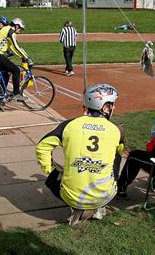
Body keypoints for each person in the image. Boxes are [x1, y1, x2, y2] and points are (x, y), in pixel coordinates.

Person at [35, 83, 125, 225]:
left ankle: (76, 206)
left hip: (71, 197)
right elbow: (118, 150)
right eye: (112, 105)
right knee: (117, 156)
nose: (114, 108)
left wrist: (50, 169)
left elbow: (42, 147)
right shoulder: (116, 130)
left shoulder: (69, 125)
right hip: (104, 196)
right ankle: (99, 207)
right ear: (105, 107)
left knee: (52, 178)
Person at [0, 18, 32, 101]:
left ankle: (0, 99)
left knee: (5, 74)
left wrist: (23, 56)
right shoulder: (11, 32)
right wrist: (27, 58)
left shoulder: (6, 29)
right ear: (17, 26)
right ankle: (16, 93)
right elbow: (16, 46)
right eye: (20, 29)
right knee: (16, 70)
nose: (20, 31)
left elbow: (12, 47)